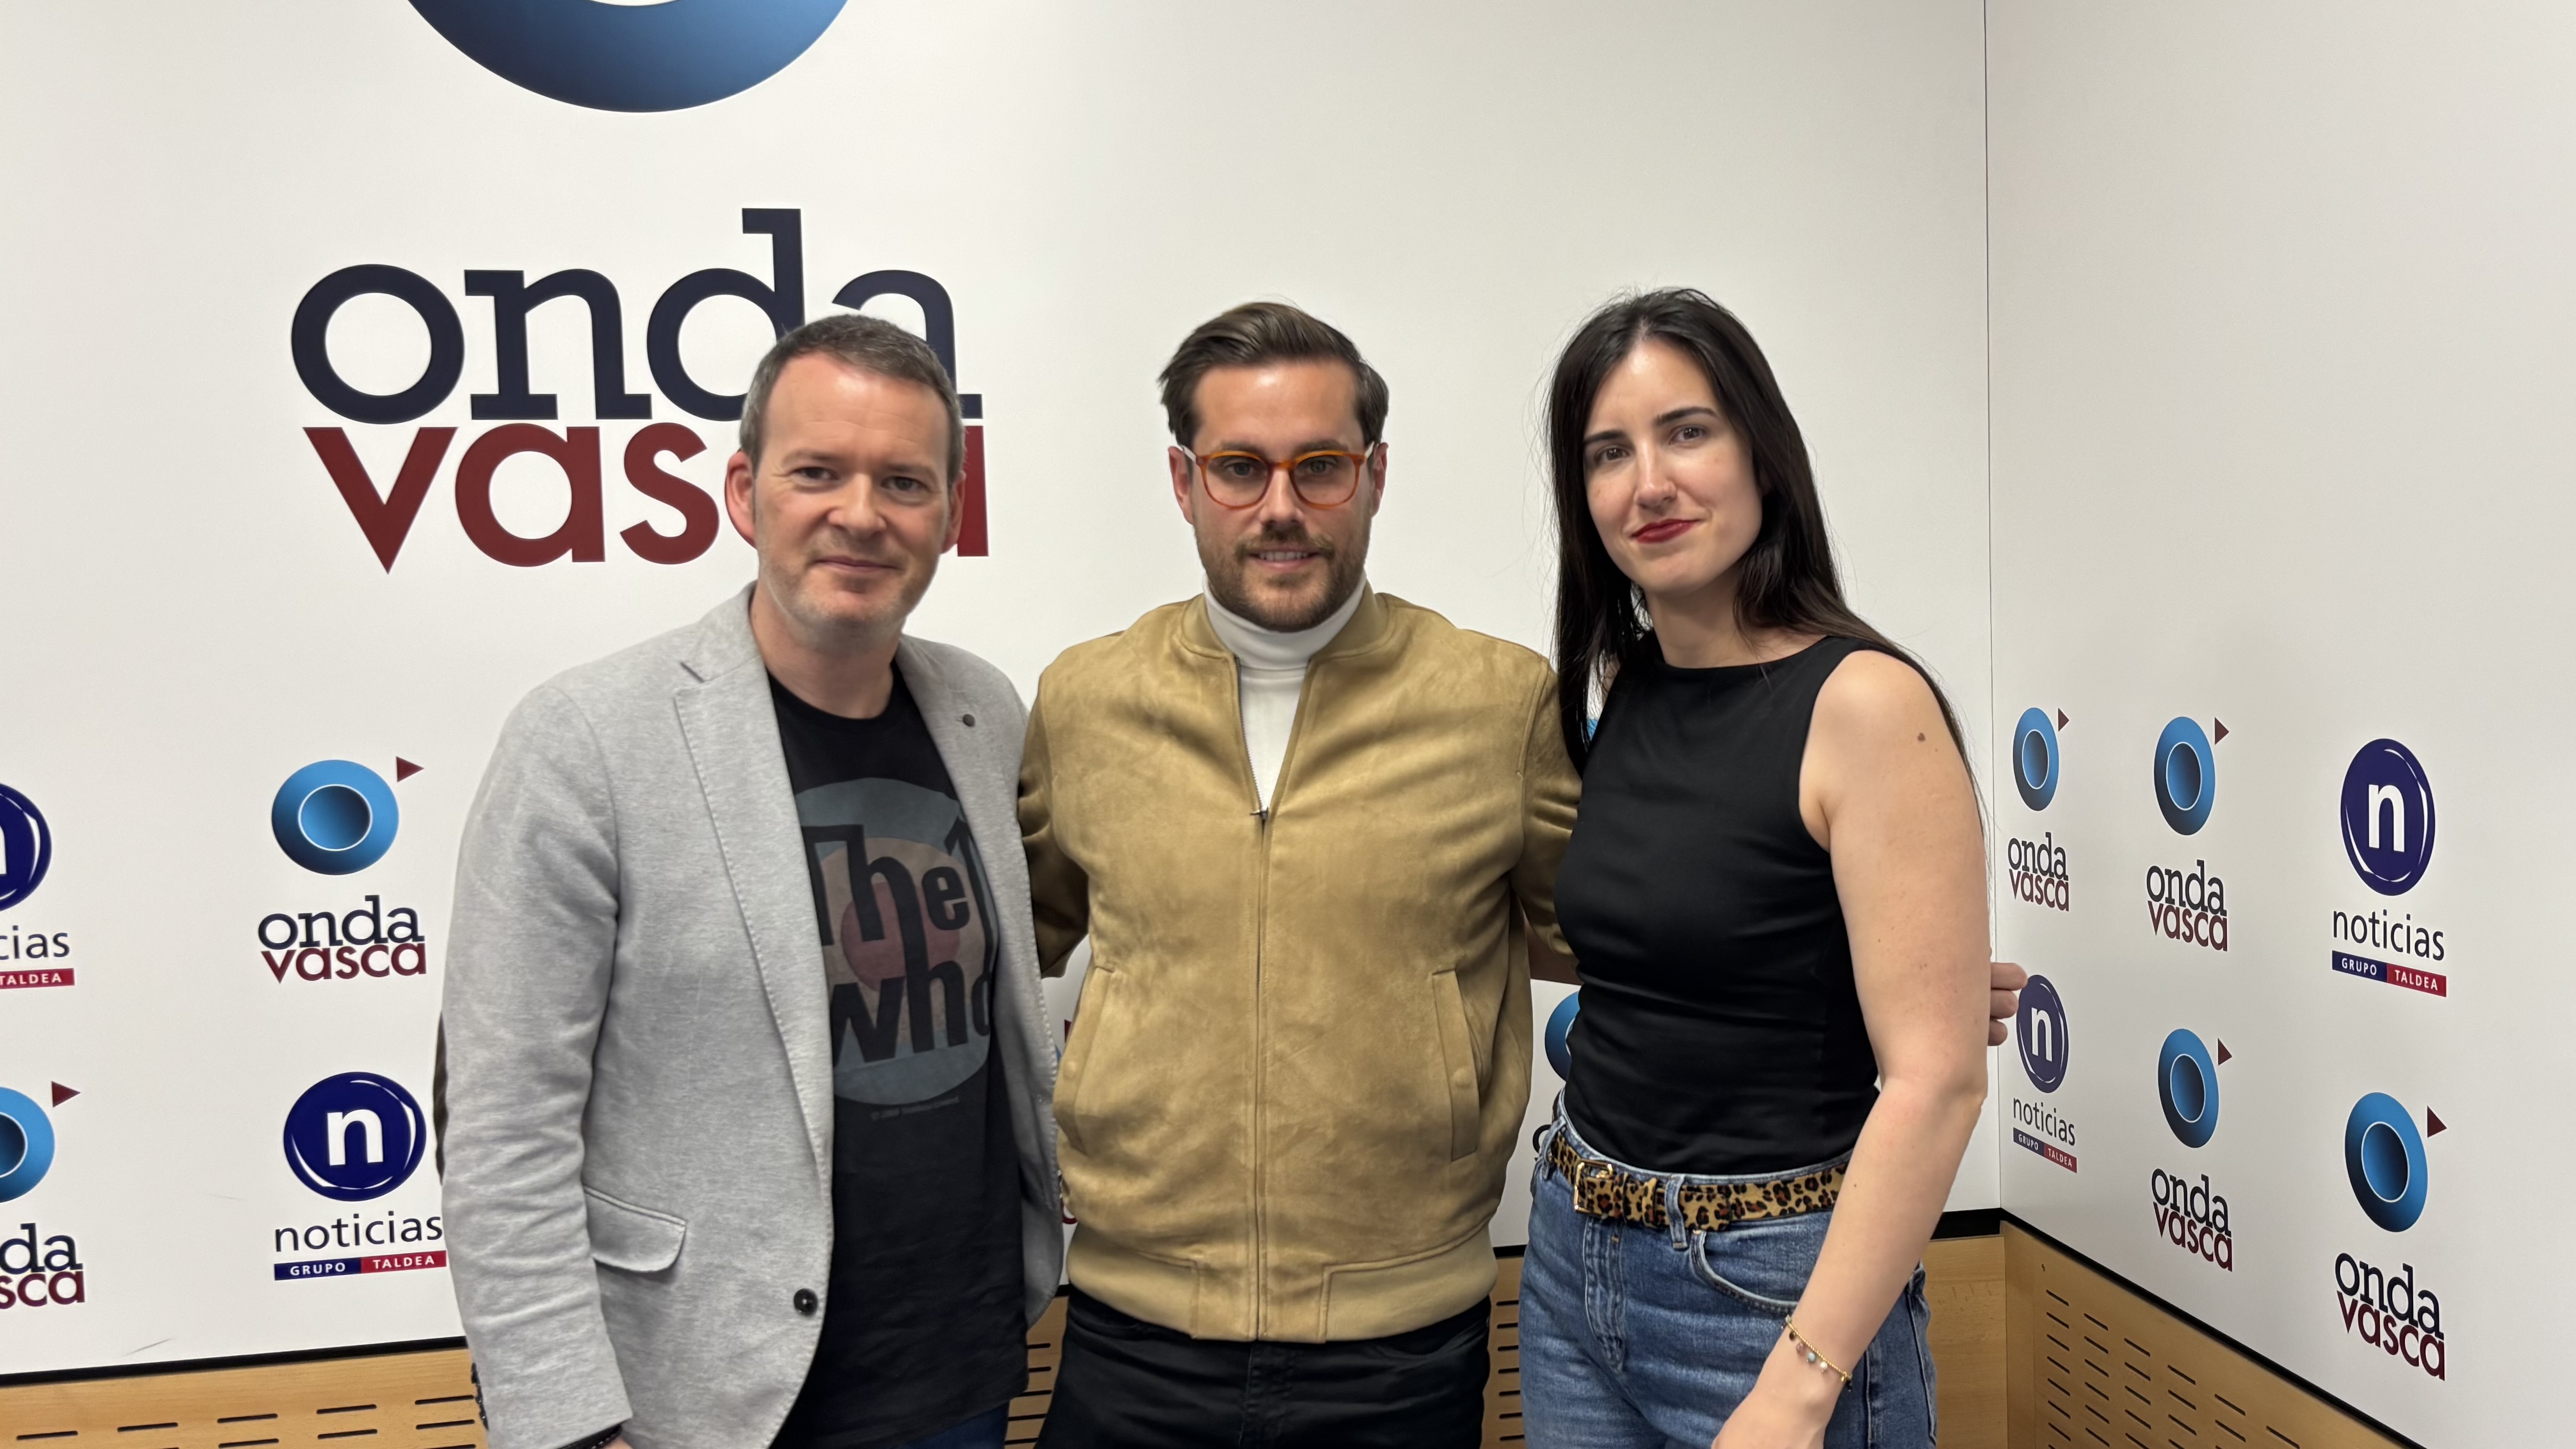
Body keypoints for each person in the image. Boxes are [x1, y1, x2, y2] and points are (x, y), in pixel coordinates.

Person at [1017, 301, 2022, 1448]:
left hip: (1670, 1294)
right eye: (1239, 467)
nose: (1281, 505)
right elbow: (1621, 921)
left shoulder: (1518, 702)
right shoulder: (1621, 691)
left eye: (1688, 432)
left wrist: (1902, 988)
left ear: (1374, 475)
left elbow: (1906, 1058)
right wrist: (1864, 967)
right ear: (1184, 479)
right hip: (1521, 1272)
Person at [439, 314, 1062, 1449]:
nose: (860, 513)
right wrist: (567, 1423)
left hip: (959, 1368)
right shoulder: (586, 738)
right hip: (705, 1396)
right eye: (817, 472)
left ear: (950, 513)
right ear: (743, 491)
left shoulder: (984, 710)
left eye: (904, 481)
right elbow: (503, 1123)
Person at [1514, 288, 1991, 1449]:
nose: (1649, 483)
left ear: (1763, 456)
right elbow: (1673, 940)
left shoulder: (1864, 702)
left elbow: (1936, 1084)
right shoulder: (1627, 689)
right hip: (1573, 1259)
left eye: (1687, 432)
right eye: (1608, 453)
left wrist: (1799, 1385)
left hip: (1771, 1292)